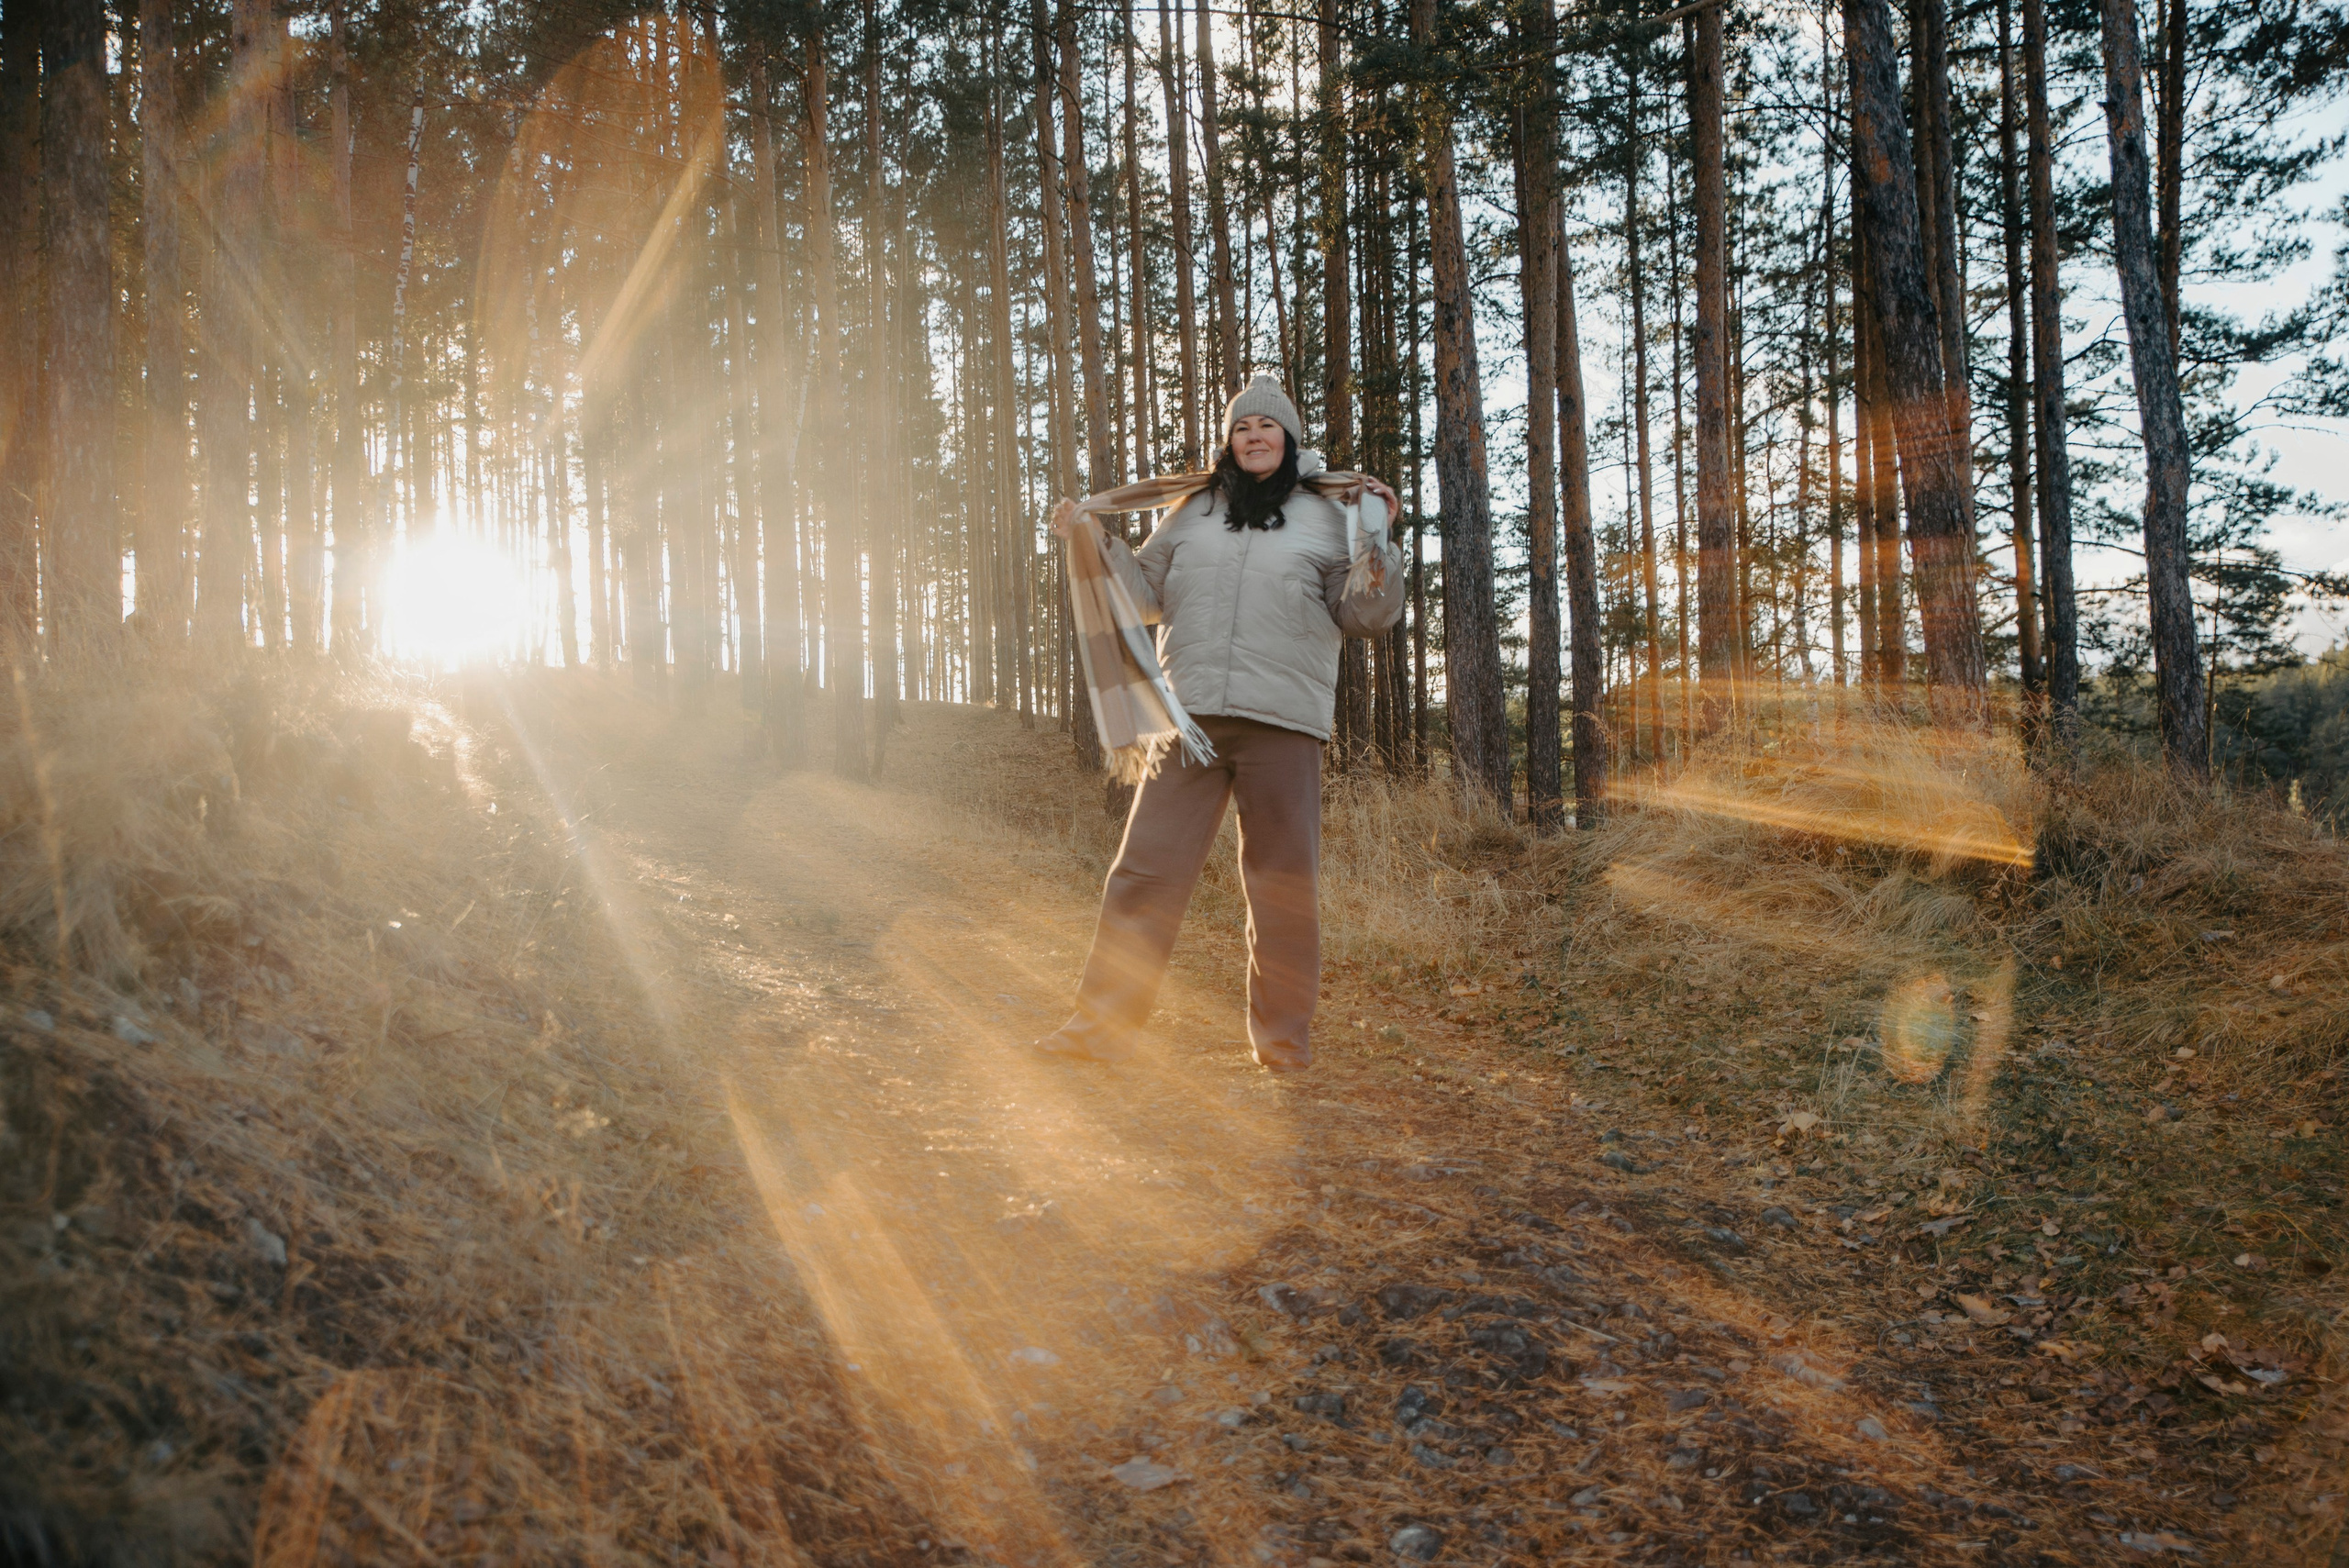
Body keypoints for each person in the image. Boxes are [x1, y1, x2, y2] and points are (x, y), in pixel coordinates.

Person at [1032, 376, 1405, 1074]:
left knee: (1281, 885)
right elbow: (1142, 597)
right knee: (1142, 872)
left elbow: (1362, 617)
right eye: (1242, 427)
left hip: (1283, 723)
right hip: (1190, 722)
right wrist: (1095, 538)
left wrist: (1379, 544)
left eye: (1268, 426)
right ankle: (1099, 1026)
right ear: (1228, 441)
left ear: (1290, 439)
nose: (1255, 435)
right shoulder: (1191, 510)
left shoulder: (1332, 515)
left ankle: (1283, 1042)